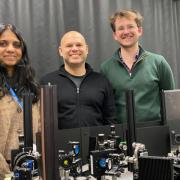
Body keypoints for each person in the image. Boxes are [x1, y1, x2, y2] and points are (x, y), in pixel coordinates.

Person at [100, 10, 175, 124]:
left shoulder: (159, 62)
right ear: (115, 35)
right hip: (122, 135)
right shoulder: (106, 68)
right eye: (121, 28)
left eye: (130, 26)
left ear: (139, 30)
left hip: (155, 132)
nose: (126, 31)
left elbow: (171, 103)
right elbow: (106, 109)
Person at [40, 31, 116, 129]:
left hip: (97, 143)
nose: (75, 49)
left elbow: (110, 119)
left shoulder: (102, 81)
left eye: (79, 45)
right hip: (61, 143)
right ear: (60, 51)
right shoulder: (47, 82)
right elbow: (41, 122)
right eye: (69, 46)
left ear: (87, 49)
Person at [0, 24, 40, 179]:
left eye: (16, 45)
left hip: (32, 169)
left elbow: (41, 130)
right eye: (3, 44)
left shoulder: (32, 88)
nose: (10, 49)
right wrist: (8, 174)